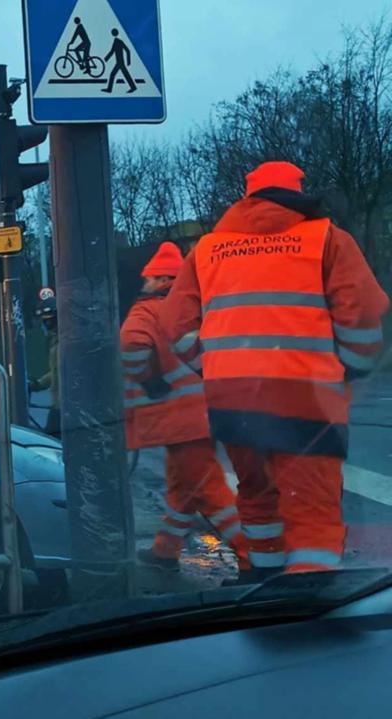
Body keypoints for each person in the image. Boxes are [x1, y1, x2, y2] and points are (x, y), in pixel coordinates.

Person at [160, 161, 388, 578]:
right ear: (298, 193)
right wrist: (350, 368)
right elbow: (364, 316)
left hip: (232, 399)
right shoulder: (326, 239)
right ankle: (308, 604)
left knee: (257, 496)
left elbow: (174, 324)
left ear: (246, 199)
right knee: (310, 507)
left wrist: (211, 366)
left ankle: (262, 583)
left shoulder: (207, 250)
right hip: (307, 398)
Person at [123, 242, 249, 574]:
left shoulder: (146, 311)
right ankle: (165, 552)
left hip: (175, 416)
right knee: (183, 488)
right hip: (204, 411)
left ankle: (253, 556)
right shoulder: (195, 309)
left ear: (161, 279)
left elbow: (131, 344)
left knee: (209, 491)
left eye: (149, 279)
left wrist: (148, 378)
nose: (144, 284)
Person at [29, 287, 61, 437]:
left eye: (47, 320)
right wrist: (39, 384)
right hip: (59, 404)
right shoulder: (55, 340)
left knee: (52, 441)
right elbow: (56, 371)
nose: (45, 323)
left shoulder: (63, 341)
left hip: (64, 405)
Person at [101, 28, 137, 94]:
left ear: (112, 34)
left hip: (119, 62)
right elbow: (127, 51)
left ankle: (109, 89)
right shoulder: (119, 41)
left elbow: (112, 51)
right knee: (124, 74)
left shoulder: (116, 42)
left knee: (113, 74)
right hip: (120, 62)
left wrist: (106, 59)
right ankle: (133, 87)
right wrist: (128, 62)